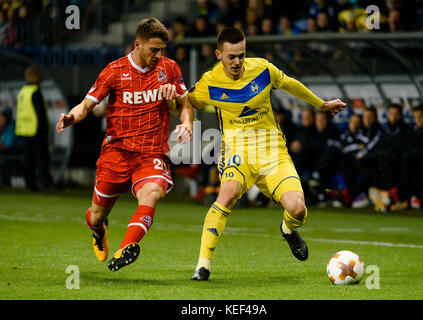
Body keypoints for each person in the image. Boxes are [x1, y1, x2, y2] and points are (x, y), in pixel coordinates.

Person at [186, 27, 346, 281]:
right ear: (219, 54)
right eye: (231, 56)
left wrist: (322, 104)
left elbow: (290, 84)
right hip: (237, 150)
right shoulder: (209, 82)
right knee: (226, 195)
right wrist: (169, 99)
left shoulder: (262, 68)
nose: (237, 61)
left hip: (273, 150)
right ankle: (202, 266)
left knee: (298, 209)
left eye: (241, 55)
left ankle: (287, 230)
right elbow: (184, 102)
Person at [56, 18, 194, 272]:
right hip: (117, 153)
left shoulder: (170, 68)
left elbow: (185, 104)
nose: (159, 55)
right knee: (96, 216)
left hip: (151, 152)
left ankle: (126, 248)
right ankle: (99, 231)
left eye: (162, 49)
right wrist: (70, 117)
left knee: (152, 193)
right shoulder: (114, 71)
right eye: (154, 49)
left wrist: (186, 124)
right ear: (137, 45)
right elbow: (87, 105)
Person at [15, 65, 53, 191]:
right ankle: (45, 183)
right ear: (35, 76)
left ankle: (30, 184)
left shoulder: (22, 91)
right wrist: (45, 129)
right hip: (36, 130)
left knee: (28, 159)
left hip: (24, 130)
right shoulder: (35, 91)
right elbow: (40, 113)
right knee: (42, 158)